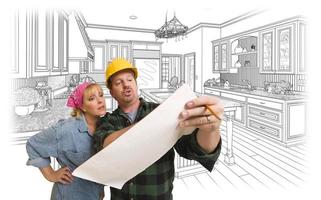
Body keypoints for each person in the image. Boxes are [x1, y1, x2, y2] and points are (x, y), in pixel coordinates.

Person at [94, 58, 224, 200]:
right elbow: (105, 146)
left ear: (136, 84)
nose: (126, 85)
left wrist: (210, 130)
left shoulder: (162, 111)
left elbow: (195, 149)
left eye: (130, 80)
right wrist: (153, 124)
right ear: (112, 92)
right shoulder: (106, 121)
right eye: (118, 83)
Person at [26, 82, 107, 200]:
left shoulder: (106, 128)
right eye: (92, 98)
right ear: (82, 106)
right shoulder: (66, 129)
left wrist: (100, 189)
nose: (100, 101)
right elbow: (33, 144)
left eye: (101, 95)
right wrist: (51, 175)